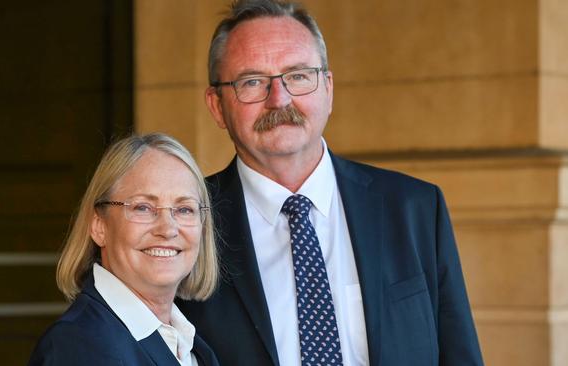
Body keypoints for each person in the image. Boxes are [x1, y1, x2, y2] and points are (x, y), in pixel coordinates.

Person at [176, 1, 484, 365]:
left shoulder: (414, 207)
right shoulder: (186, 222)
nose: (280, 99)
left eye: (299, 75)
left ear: (328, 88)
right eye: (253, 81)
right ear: (217, 106)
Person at [29, 133, 220, 366]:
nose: (168, 229)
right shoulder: (76, 346)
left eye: (184, 209)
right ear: (99, 226)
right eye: (143, 207)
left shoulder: (193, 347)